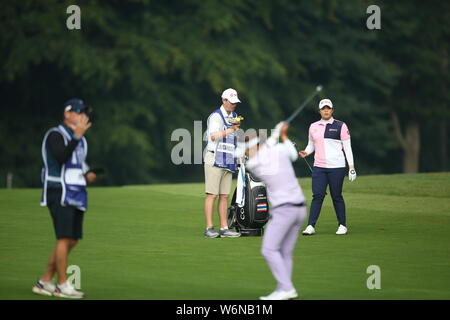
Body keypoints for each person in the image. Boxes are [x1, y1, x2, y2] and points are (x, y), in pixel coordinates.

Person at [32, 98, 96, 298]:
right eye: (77, 112)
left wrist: (88, 175)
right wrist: (76, 136)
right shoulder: (55, 134)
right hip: (58, 190)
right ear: (67, 114)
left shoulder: (81, 139)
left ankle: (44, 281)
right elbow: (60, 157)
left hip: (76, 191)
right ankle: (62, 285)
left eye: (84, 112)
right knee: (64, 237)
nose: (82, 116)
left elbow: (77, 164)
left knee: (72, 239)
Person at [246, 122, 307, 300]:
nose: (246, 153)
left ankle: (287, 288)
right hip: (300, 209)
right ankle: (283, 289)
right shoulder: (279, 150)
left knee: (269, 249)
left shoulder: (256, 163)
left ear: (256, 146)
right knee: (285, 252)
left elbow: (258, 158)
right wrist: (283, 135)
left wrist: (275, 135)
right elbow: (293, 154)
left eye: (248, 148)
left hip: (284, 211)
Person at [299, 98, 356, 236]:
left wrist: (351, 167)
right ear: (319, 111)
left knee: (336, 196)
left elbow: (347, 148)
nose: (326, 110)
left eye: (328, 108)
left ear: (332, 110)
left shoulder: (341, 126)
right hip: (319, 167)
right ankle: (311, 226)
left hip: (337, 166)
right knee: (317, 196)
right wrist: (306, 152)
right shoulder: (313, 126)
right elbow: (311, 145)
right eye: (323, 108)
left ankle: (342, 225)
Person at [203, 88, 242, 238]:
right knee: (212, 194)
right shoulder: (216, 117)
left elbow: (233, 138)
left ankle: (224, 228)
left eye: (235, 103)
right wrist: (231, 130)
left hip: (228, 159)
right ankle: (209, 228)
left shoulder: (235, 116)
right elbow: (213, 136)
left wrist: (238, 154)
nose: (233, 105)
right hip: (214, 158)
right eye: (231, 102)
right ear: (223, 100)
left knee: (224, 195)